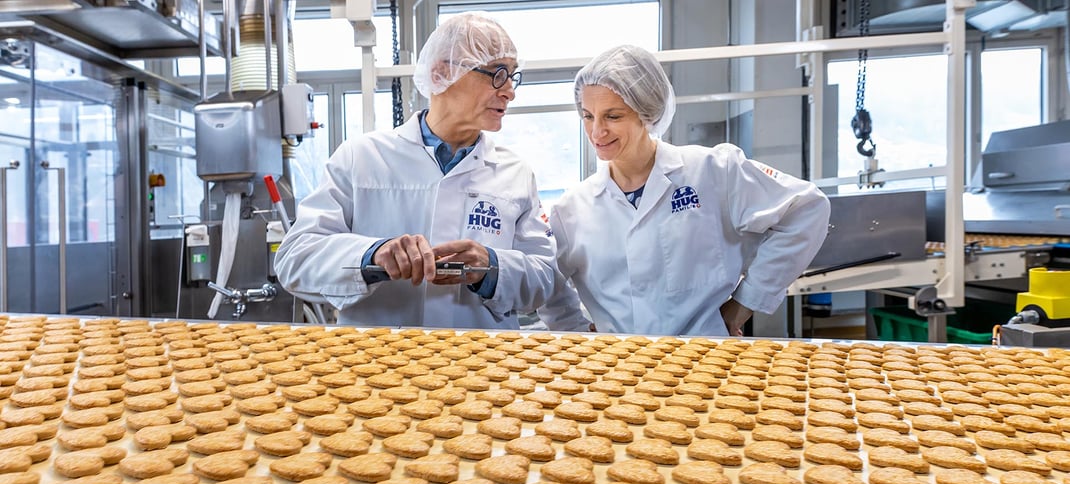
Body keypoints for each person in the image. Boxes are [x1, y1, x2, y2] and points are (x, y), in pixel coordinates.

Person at [274, 12, 555, 329]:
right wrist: (371, 256)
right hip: (378, 362)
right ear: (441, 73)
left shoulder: (515, 173)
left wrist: (491, 267)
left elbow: (544, 278)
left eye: (512, 77)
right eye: (496, 73)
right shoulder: (361, 158)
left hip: (482, 364)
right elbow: (294, 259)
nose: (509, 91)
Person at [537, 44, 830, 337]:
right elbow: (548, 284)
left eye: (613, 116)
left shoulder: (714, 170)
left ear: (646, 112)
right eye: (588, 116)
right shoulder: (573, 209)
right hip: (619, 370)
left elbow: (807, 209)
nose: (597, 132)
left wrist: (746, 301)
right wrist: (576, 332)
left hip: (706, 360)